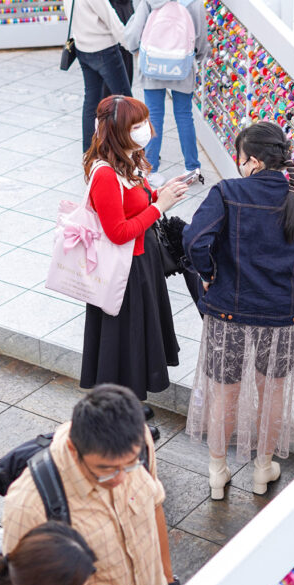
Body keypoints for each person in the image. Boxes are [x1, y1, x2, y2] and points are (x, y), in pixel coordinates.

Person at [182, 121, 294, 500]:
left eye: (241, 158)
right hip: (281, 315)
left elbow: (196, 240)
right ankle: (263, 469)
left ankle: (217, 472)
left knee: (223, 392)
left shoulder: (227, 193)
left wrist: (209, 274)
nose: (239, 165)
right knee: (273, 392)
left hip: (228, 311)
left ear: (255, 161)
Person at [3, 385, 176, 585]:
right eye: (106, 469)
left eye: (130, 466)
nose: (120, 478)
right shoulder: (30, 503)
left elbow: (154, 506)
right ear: (73, 448)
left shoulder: (138, 441)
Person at [80, 94, 188, 401]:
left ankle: (130, 403)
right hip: (124, 272)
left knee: (136, 341)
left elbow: (137, 205)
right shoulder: (105, 173)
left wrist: (161, 194)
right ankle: (122, 407)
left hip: (141, 263)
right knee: (126, 343)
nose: (145, 129)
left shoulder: (129, 159)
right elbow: (118, 232)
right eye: (136, 125)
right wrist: (159, 206)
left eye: (144, 121)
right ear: (117, 131)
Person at [123, 0, 208, 187]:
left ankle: (149, 170)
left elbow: (134, 32)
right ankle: (192, 168)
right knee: (183, 115)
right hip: (181, 65)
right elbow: (200, 39)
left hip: (153, 65)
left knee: (154, 117)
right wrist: (198, 57)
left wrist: (134, 50)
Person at [61, 0, 131, 152]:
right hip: (105, 51)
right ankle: (131, 153)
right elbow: (113, 22)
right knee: (126, 102)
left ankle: (88, 153)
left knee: (91, 102)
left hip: (82, 49)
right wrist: (131, 45)